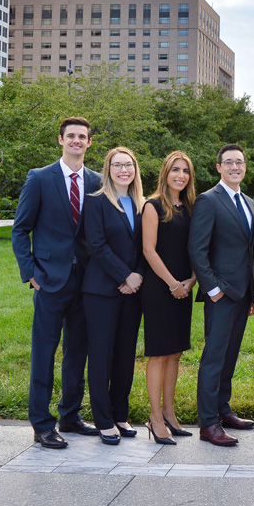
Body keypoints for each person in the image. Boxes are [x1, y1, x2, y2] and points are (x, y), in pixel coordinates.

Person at [12, 117, 101, 449]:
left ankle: (70, 415)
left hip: (86, 282)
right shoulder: (39, 178)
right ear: (60, 140)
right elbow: (20, 229)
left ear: (89, 143)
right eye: (71, 136)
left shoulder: (97, 181)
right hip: (49, 281)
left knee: (78, 351)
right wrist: (30, 272)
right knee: (44, 352)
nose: (77, 141)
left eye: (82, 137)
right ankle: (42, 423)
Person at [188, 143, 254, 447]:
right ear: (218, 167)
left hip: (244, 293)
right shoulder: (208, 200)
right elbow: (197, 249)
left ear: (245, 167)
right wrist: (212, 289)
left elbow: (250, 250)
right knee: (214, 357)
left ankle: (223, 409)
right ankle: (208, 423)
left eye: (239, 162)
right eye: (228, 162)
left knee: (230, 355)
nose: (234, 167)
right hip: (221, 293)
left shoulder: (249, 202)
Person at [81, 147, 146, 445]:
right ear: (108, 169)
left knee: (124, 356)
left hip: (134, 292)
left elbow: (147, 246)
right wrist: (124, 275)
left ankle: (120, 413)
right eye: (117, 165)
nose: (124, 170)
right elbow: (96, 244)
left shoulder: (141, 204)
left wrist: (138, 276)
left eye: (128, 165)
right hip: (102, 292)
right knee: (102, 356)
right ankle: (104, 419)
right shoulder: (95, 202)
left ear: (135, 169)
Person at [141, 151, 197, 445]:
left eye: (185, 171)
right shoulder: (153, 206)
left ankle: (170, 413)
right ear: (165, 172)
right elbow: (149, 251)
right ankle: (154, 417)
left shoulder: (190, 207)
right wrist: (173, 283)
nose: (180, 175)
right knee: (159, 352)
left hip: (184, 288)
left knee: (176, 352)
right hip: (160, 288)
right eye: (175, 169)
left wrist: (191, 280)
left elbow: (197, 248)